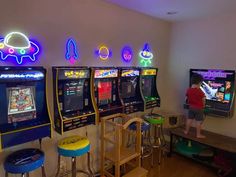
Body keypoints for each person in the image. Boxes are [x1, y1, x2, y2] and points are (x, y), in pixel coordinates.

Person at [184, 73, 206, 138]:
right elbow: (204, 99)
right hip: (199, 109)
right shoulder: (200, 91)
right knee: (198, 122)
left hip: (191, 107)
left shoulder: (188, 90)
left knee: (189, 119)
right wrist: (204, 105)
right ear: (200, 83)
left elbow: (186, 98)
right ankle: (198, 134)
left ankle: (186, 131)